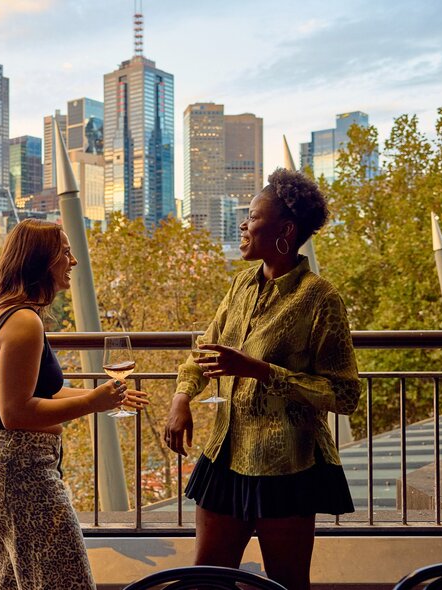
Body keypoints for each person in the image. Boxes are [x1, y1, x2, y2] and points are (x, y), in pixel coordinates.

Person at [163, 168, 361, 590]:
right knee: (206, 580)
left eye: (252, 216)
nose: (243, 224)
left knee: (286, 584)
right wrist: (181, 397)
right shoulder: (240, 285)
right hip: (224, 457)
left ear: (285, 230)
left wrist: (261, 371)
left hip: (287, 469)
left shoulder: (320, 298)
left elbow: (344, 395)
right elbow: (204, 352)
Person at [0, 218, 148, 590]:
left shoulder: (7, 312)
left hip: (5, 463)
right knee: (65, 580)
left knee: (10, 582)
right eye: (65, 252)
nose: (73, 261)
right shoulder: (24, 322)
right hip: (22, 469)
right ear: (41, 261)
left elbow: (39, 394)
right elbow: (15, 412)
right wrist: (93, 402)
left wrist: (99, 396)